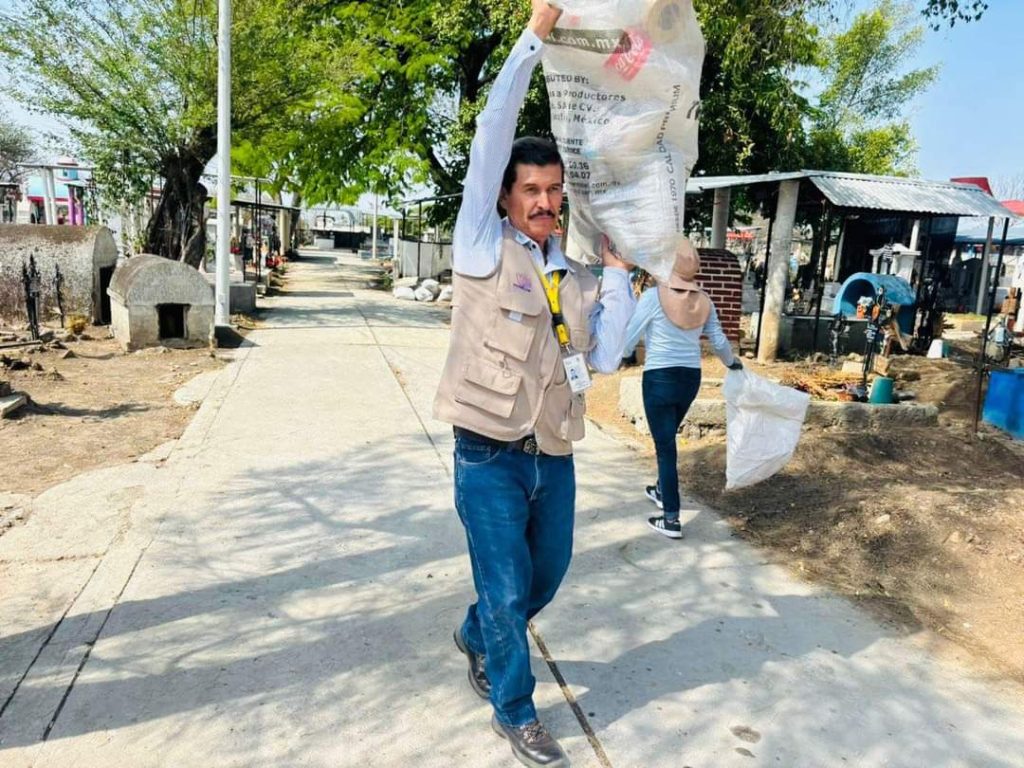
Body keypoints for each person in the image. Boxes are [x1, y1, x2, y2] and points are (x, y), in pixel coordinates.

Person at [432, 2, 635, 766]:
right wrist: (533, 38)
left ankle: (475, 631)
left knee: (545, 577)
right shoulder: (481, 246)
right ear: (507, 197)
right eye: (532, 190)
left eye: (554, 190)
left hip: (553, 456)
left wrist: (618, 279)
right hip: (486, 454)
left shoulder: (577, 277)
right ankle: (516, 710)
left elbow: (606, 361)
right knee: (510, 592)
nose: (546, 202)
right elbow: (491, 137)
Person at [623, 241, 742, 539]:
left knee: (665, 448)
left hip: (660, 378)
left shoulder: (653, 297)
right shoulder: (705, 300)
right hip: (690, 379)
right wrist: (732, 363)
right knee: (667, 437)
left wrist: (614, 356)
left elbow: (628, 339)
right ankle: (662, 488)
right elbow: (718, 340)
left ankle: (671, 518)